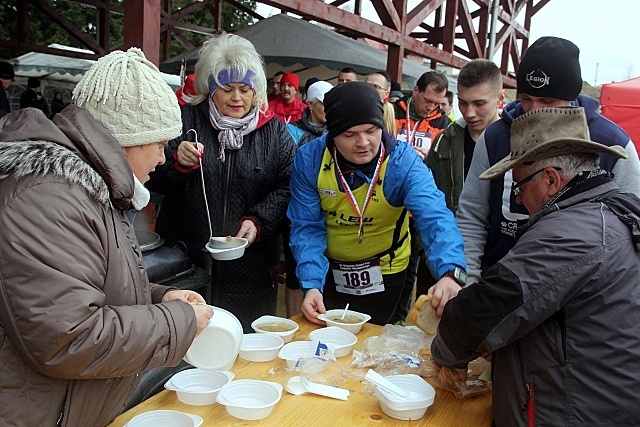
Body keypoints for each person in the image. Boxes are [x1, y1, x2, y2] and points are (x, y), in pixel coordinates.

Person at [0, 48, 213, 427]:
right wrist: (177, 322)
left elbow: (87, 289)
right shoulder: (49, 198)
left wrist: (162, 297)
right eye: (160, 144)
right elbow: (68, 339)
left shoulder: (90, 190)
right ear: (129, 139)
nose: (163, 159)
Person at [431, 106, 640, 426]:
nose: (518, 199)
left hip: (574, 412)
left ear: (551, 179)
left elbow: (485, 309)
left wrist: (446, 351)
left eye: (519, 186)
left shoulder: (572, 232)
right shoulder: (606, 213)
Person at [456, 36, 640, 284]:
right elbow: (472, 215)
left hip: (578, 297)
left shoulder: (612, 144)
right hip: (500, 287)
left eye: (548, 102)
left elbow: (632, 229)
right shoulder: (496, 136)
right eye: (526, 99)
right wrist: (468, 281)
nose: (534, 110)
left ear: (571, 97)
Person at [147, 33, 297, 331]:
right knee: (186, 348)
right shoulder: (184, 120)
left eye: (245, 89)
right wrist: (177, 162)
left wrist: (259, 221)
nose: (237, 98)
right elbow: (152, 175)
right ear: (210, 89)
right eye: (227, 89)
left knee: (243, 347)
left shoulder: (275, 134)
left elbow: (288, 186)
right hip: (186, 264)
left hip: (250, 268)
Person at [288, 82, 466, 326]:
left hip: (386, 268)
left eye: (372, 130)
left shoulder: (404, 163)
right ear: (332, 133)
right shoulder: (310, 159)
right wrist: (311, 284)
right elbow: (306, 226)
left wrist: (451, 272)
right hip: (330, 268)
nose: (363, 142)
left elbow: (434, 216)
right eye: (350, 134)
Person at [427, 59, 504, 213]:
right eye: (462, 103)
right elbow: (428, 202)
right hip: (450, 234)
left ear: (500, 99)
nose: (469, 113)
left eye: (479, 104)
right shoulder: (444, 142)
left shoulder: (516, 142)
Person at [393, 70, 451, 158]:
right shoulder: (392, 113)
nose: (430, 108)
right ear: (416, 90)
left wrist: (428, 159)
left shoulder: (445, 124)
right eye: (428, 101)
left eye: (436, 104)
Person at [286, 80, 333, 146]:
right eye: (325, 104)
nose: (329, 109)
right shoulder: (292, 130)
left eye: (332, 104)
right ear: (310, 105)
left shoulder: (336, 129)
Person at [365, 70, 397, 135]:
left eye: (376, 87)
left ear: (386, 94)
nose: (369, 89)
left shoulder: (395, 117)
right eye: (366, 85)